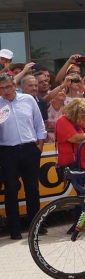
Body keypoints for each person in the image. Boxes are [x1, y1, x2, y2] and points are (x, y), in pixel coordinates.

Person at [0, 73, 47, 239]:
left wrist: (39, 147)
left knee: (32, 189)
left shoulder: (28, 100)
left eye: (7, 87)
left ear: (14, 86)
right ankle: (14, 229)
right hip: (7, 151)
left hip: (29, 149)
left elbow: (39, 124)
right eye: (1, 88)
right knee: (11, 190)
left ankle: (35, 226)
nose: (5, 91)